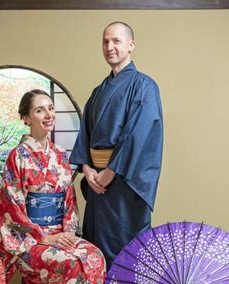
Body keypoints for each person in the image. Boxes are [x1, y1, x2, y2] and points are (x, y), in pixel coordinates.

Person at [0, 89, 106, 284]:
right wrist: (45, 237)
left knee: (95, 257)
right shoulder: (17, 156)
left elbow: (68, 200)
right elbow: (11, 206)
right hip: (32, 241)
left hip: (60, 235)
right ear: (26, 118)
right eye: (39, 110)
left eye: (50, 108)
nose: (48, 114)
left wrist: (68, 234)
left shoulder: (60, 155)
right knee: (72, 264)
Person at [70, 21, 164, 269]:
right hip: (98, 183)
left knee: (127, 249)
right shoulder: (98, 91)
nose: (109, 46)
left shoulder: (144, 86)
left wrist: (110, 172)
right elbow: (86, 133)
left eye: (116, 41)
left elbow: (139, 133)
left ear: (131, 45)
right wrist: (87, 169)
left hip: (124, 182)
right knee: (96, 248)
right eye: (105, 41)